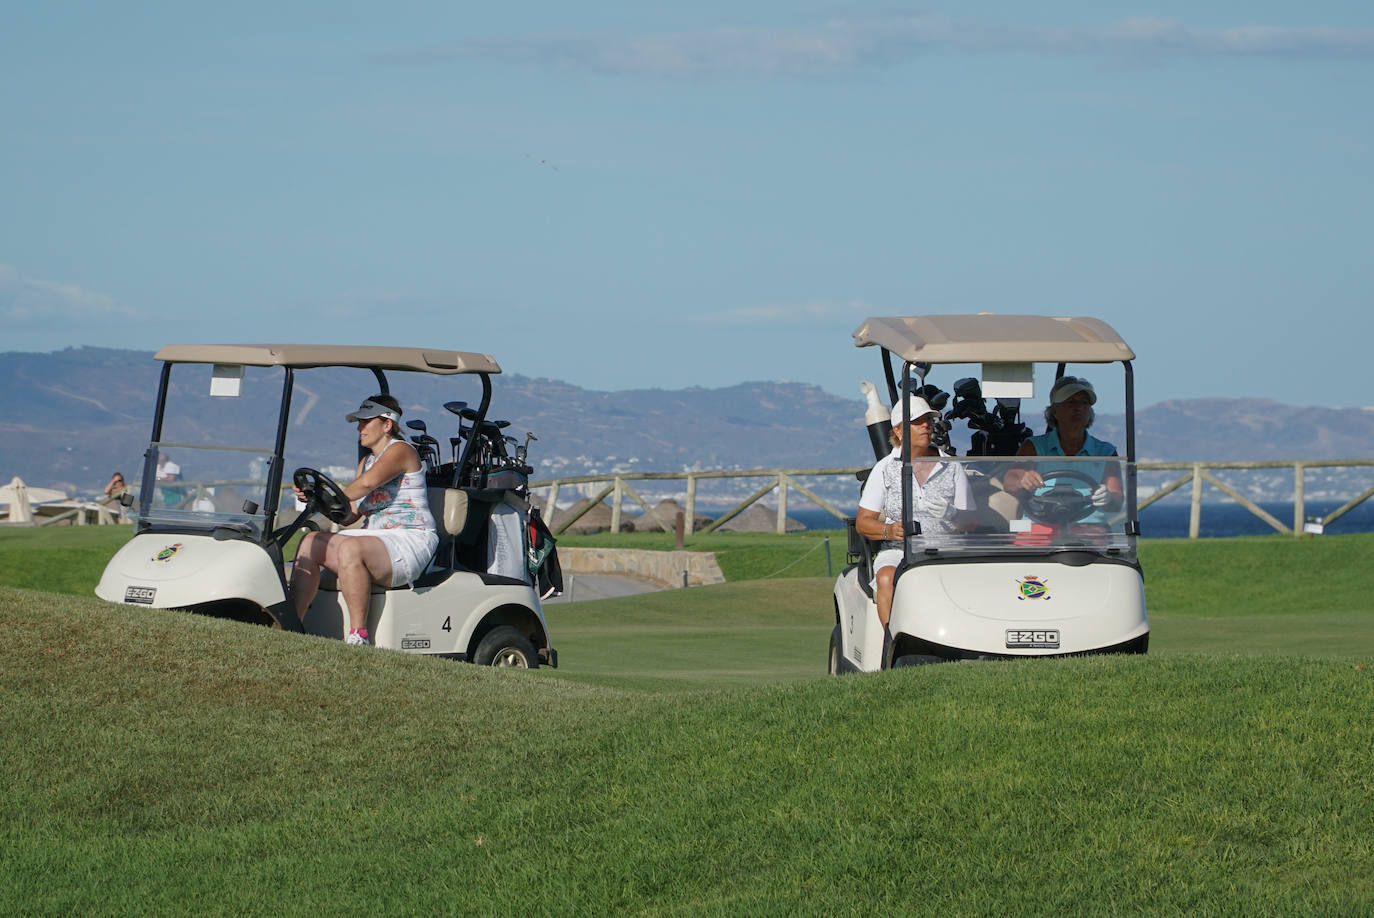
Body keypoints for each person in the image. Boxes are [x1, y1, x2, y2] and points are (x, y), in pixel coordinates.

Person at [288, 395, 438, 646]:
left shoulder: (401, 451)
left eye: (366, 422)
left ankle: (359, 636)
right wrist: (317, 500)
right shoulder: (366, 462)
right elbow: (350, 515)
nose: (360, 428)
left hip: (410, 538)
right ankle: (292, 626)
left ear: (387, 424)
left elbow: (367, 484)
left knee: (350, 548)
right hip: (376, 540)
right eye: (359, 423)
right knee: (309, 542)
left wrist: (330, 497)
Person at [854, 396, 976, 630]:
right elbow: (863, 523)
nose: (926, 426)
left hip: (946, 549)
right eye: (917, 422)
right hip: (898, 551)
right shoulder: (885, 468)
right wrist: (889, 530)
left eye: (928, 420)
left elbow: (971, 521)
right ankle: (893, 639)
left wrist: (951, 513)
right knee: (886, 578)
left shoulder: (952, 466)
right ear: (898, 431)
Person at [1002, 376, 1123, 523]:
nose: (1078, 408)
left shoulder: (1105, 452)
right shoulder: (1034, 446)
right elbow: (1010, 481)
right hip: (1041, 523)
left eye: (1084, 403)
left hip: (1088, 527)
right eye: (1071, 402)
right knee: (1026, 543)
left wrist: (1109, 498)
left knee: (1097, 541)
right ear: (1054, 411)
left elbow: (1116, 500)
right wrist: (1022, 479)